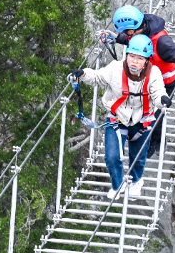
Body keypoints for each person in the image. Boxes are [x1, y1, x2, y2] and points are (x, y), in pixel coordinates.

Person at [71, 35, 168, 200]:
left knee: (138, 158)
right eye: (132, 56)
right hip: (117, 119)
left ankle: (136, 181)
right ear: (127, 55)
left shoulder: (154, 74)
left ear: (146, 60)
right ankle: (117, 185)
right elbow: (97, 77)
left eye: (140, 58)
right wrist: (83, 73)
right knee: (112, 157)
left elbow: (158, 92)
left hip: (142, 121)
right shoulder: (115, 69)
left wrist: (162, 100)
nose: (134, 61)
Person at [105, 5, 175, 157]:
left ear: (134, 29)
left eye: (126, 32)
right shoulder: (138, 30)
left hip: (165, 81)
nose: (126, 35)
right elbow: (130, 40)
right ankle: (144, 137)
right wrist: (116, 38)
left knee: (155, 112)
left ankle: (158, 141)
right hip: (146, 79)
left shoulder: (162, 42)